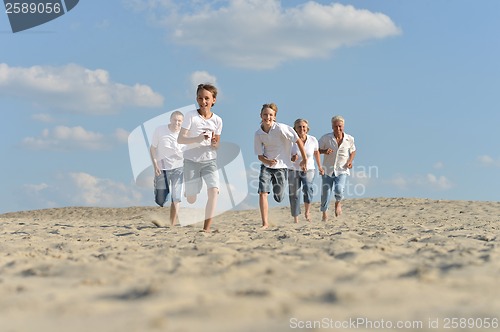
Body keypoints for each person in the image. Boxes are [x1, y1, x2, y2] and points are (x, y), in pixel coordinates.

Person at [254, 103, 308, 230]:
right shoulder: (258, 134)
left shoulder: (281, 128)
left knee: (279, 197)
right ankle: (265, 223)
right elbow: (259, 155)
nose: (268, 117)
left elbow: (298, 140)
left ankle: (278, 193)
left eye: (271, 115)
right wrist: (266, 161)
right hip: (266, 167)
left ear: (275, 117)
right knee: (262, 192)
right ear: (261, 116)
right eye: (265, 114)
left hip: (282, 167)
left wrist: (304, 159)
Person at [177, 83, 223, 233]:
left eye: (207, 98)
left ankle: (206, 228)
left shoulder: (218, 120)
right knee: (191, 198)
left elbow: (216, 144)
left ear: (213, 100)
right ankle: (190, 191)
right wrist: (197, 138)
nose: (203, 101)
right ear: (197, 99)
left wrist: (214, 143)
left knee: (214, 190)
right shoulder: (191, 116)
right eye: (200, 98)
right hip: (191, 161)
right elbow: (181, 139)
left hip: (209, 160)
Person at [150, 111, 185, 225]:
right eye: (175, 120)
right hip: (162, 168)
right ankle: (158, 191)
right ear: (170, 120)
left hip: (178, 168)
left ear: (182, 122)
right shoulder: (160, 130)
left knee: (176, 197)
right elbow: (153, 148)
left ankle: (172, 224)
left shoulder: (185, 135)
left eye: (179, 121)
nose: (177, 123)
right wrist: (155, 165)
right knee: (160, 200)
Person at [319, 115, 356, 220]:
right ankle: (324, 213)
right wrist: (324, 151)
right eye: (335, 126)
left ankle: (338, 202)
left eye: (340, 126)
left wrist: (350, 161)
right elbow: (316, 150)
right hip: (328, 170)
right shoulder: (326, 138)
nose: (338, 129)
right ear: (332, 127)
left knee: (339, 189)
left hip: (342, 169)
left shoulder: (349, 139)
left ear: (343, 126)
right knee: (325, 193)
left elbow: (353, 151)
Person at [289, 119, 324, 223]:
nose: (301, 129)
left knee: (308, 189)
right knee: (294, 193)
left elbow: (316, 153)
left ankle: (307, 212)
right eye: (299, 127)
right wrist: (292, 158)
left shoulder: (313, 140)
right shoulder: (290, 141)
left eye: (303, 127)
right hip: (293, 169)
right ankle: (296, 217)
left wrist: (320, 166)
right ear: (295, 129)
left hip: (309, 169)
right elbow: (286, 156)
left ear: (307, 128)